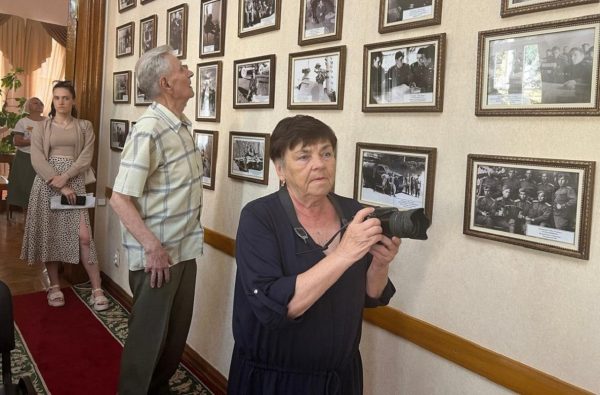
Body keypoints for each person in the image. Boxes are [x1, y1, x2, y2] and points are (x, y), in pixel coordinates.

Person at [228, 115, 400, 394]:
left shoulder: (352, 212)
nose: (319, 164)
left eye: (327, 153)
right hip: (275, 381)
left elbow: (371, 294)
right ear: (280, 169)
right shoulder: (258, 217)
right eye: (304, 156)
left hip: (340, 377)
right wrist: (344, 253)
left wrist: (380, 263)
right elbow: (280, 307)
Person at [110, 45, 204, 395]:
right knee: (147, 348)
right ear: (166, 82)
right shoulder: (150, 128)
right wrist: (152, 247)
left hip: (184, 251)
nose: (190, 72)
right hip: (158, 260)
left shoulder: (180, 126)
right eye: (183, 69)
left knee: (172, 344)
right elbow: (120, 198)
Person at [20, 81, 108, 311]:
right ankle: (55, 286)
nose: (61, 102)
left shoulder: (84, 126)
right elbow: (37, 158)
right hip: (47, 184)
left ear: (73, 100)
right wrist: (58, 184)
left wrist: (66, 178)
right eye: (57, 97)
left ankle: (97, 288)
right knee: (51, 236)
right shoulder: (42, 127)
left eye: (66, 98)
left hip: (75, 181)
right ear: (52, 100)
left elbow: (86, 157)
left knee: (84, 236)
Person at [7, 97, 45, 216]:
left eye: (40, 103)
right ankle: (27, 222)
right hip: (24, 158)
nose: (39, 104)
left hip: (43, 159)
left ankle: (39, 221)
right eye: (35, 102)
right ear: (28, 107)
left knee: (41, 190)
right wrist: (36, 140)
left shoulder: (49, 121)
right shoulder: (22, 122)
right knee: (25, 189)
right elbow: (17, 141)